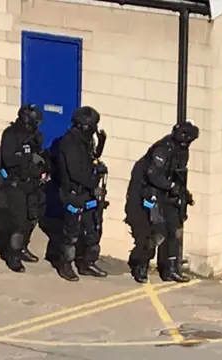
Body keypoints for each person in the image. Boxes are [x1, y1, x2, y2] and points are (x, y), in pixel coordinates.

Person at [126, 121, 199, 284]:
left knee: (175, 230)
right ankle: (141, 266)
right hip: (152, 195)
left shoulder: (182, 151)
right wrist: (170, 186)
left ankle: (171, 269)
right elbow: (153, 174)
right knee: (157, 233)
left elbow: (178, 175)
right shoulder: (163, 149)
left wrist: (183, 193)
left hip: (169, 195)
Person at [53, 106, 109, 282]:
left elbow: (91, 159)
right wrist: (94, 183)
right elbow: (77, 172)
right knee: (72, 232)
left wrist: (101, 144)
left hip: (87, 194)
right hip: (73, 195)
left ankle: (88, 263)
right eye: (93, 125)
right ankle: (66, 264)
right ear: (84, 125)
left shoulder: (86, 140)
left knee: (93, 228)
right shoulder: (69, 143)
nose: (95, 128)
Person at [0, 104, 50, 272]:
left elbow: (39, 155)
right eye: (35, 122)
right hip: (16, 185)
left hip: (32, 184)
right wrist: (28, 156)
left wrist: (44, 168)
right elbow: (9, 159)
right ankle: (13, 256)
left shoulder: (34, 135)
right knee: (19, 223)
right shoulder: (11, 135)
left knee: (32, 218)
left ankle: (23, 248)